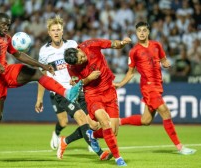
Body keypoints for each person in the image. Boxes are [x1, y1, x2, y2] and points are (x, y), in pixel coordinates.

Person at [0, 13, 81, 163]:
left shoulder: (7, 38)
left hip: (4, 70)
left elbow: (19, 55)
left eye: (8, 25)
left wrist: (42, 65)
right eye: (3, 25)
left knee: (35, 73)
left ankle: (66, 93)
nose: (6, 28)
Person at [35, 15, 112, 160]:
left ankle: (65, 141)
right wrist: (39, 98)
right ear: (49, 32)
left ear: (63, 30)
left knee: (93, 125)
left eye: (58, 29)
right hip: (61, 92)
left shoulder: (72, 44)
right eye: (53, 30)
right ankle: (100, 153)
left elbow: (81, 65)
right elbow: (42, 77)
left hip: (79, 89)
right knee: (82, 120)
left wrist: (82, 80)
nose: (56, 32)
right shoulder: (44, 51)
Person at [113, 21, 196, 155]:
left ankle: (119, 121)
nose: (141, 32)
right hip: (148, 87)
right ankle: (180, 147)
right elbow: (130, 72)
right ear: (136, 32)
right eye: (139, 30)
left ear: (148, 32)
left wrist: (165, 63)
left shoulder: (157, 45)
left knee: (146, 120)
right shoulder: (134, 51)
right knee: (166, 113)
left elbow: (163, 60)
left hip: (158, 85)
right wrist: (120, 84)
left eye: (144, 30)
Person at [64, 37, 132, 166]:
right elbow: (78, 84)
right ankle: (118, 158)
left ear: (77, 50)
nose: (83, 60)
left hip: (109, 91)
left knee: (113, 131)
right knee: (105, 122)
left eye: (81, 57)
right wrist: (88, 78)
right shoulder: (71, 67)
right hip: (93, 94)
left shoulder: (91, 44)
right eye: (79, 62)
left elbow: (114, 44)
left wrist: (122, 43)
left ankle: (92, 135)